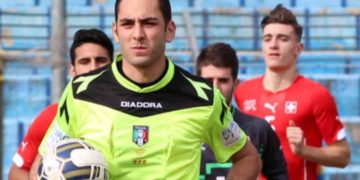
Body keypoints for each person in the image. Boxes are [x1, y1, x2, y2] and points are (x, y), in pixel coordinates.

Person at [37, 0, 261, 179]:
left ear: (170, 30)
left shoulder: (204, 97)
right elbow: (43, 164)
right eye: (127, 24)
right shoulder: (80, 93)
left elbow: (247, 158)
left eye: (149, 23)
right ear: (116, 31)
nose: (137, 34)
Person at [234, 4, 351, 180]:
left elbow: (343, 156)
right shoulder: (243, 92)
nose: (273, 45)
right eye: (267, 38)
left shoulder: (316, 95)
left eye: (282, 39)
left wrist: (304, 151)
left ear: (298, 48)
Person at [8, 28, 114, 180]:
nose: (93, 68)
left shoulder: (130, 111)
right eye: (84, 61)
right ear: (73, 70)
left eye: (101, 60)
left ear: (112, 67)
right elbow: (17, 171)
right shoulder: (53, 116)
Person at [196, 42, 288, 179]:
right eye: (208, 80)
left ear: (235, 84)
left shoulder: (259, 129)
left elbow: (279, 176)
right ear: (197, 83)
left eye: (223, 80)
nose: (215, 88)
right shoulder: (179, 125)